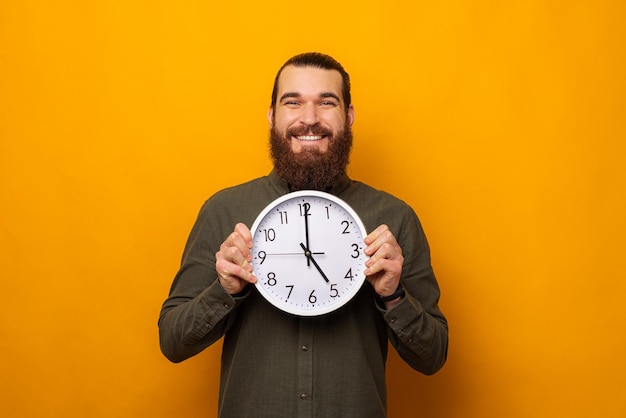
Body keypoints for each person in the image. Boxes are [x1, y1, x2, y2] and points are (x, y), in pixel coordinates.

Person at [158, 52, 448, 418]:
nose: (309, 119)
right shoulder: (224, 211)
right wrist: (224, 290)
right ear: (272, 115)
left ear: (349, 116)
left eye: (326, 103)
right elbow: (172, 342)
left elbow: (433, 356)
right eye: (292, 102)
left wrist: (394, 296)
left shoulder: (393, 218)